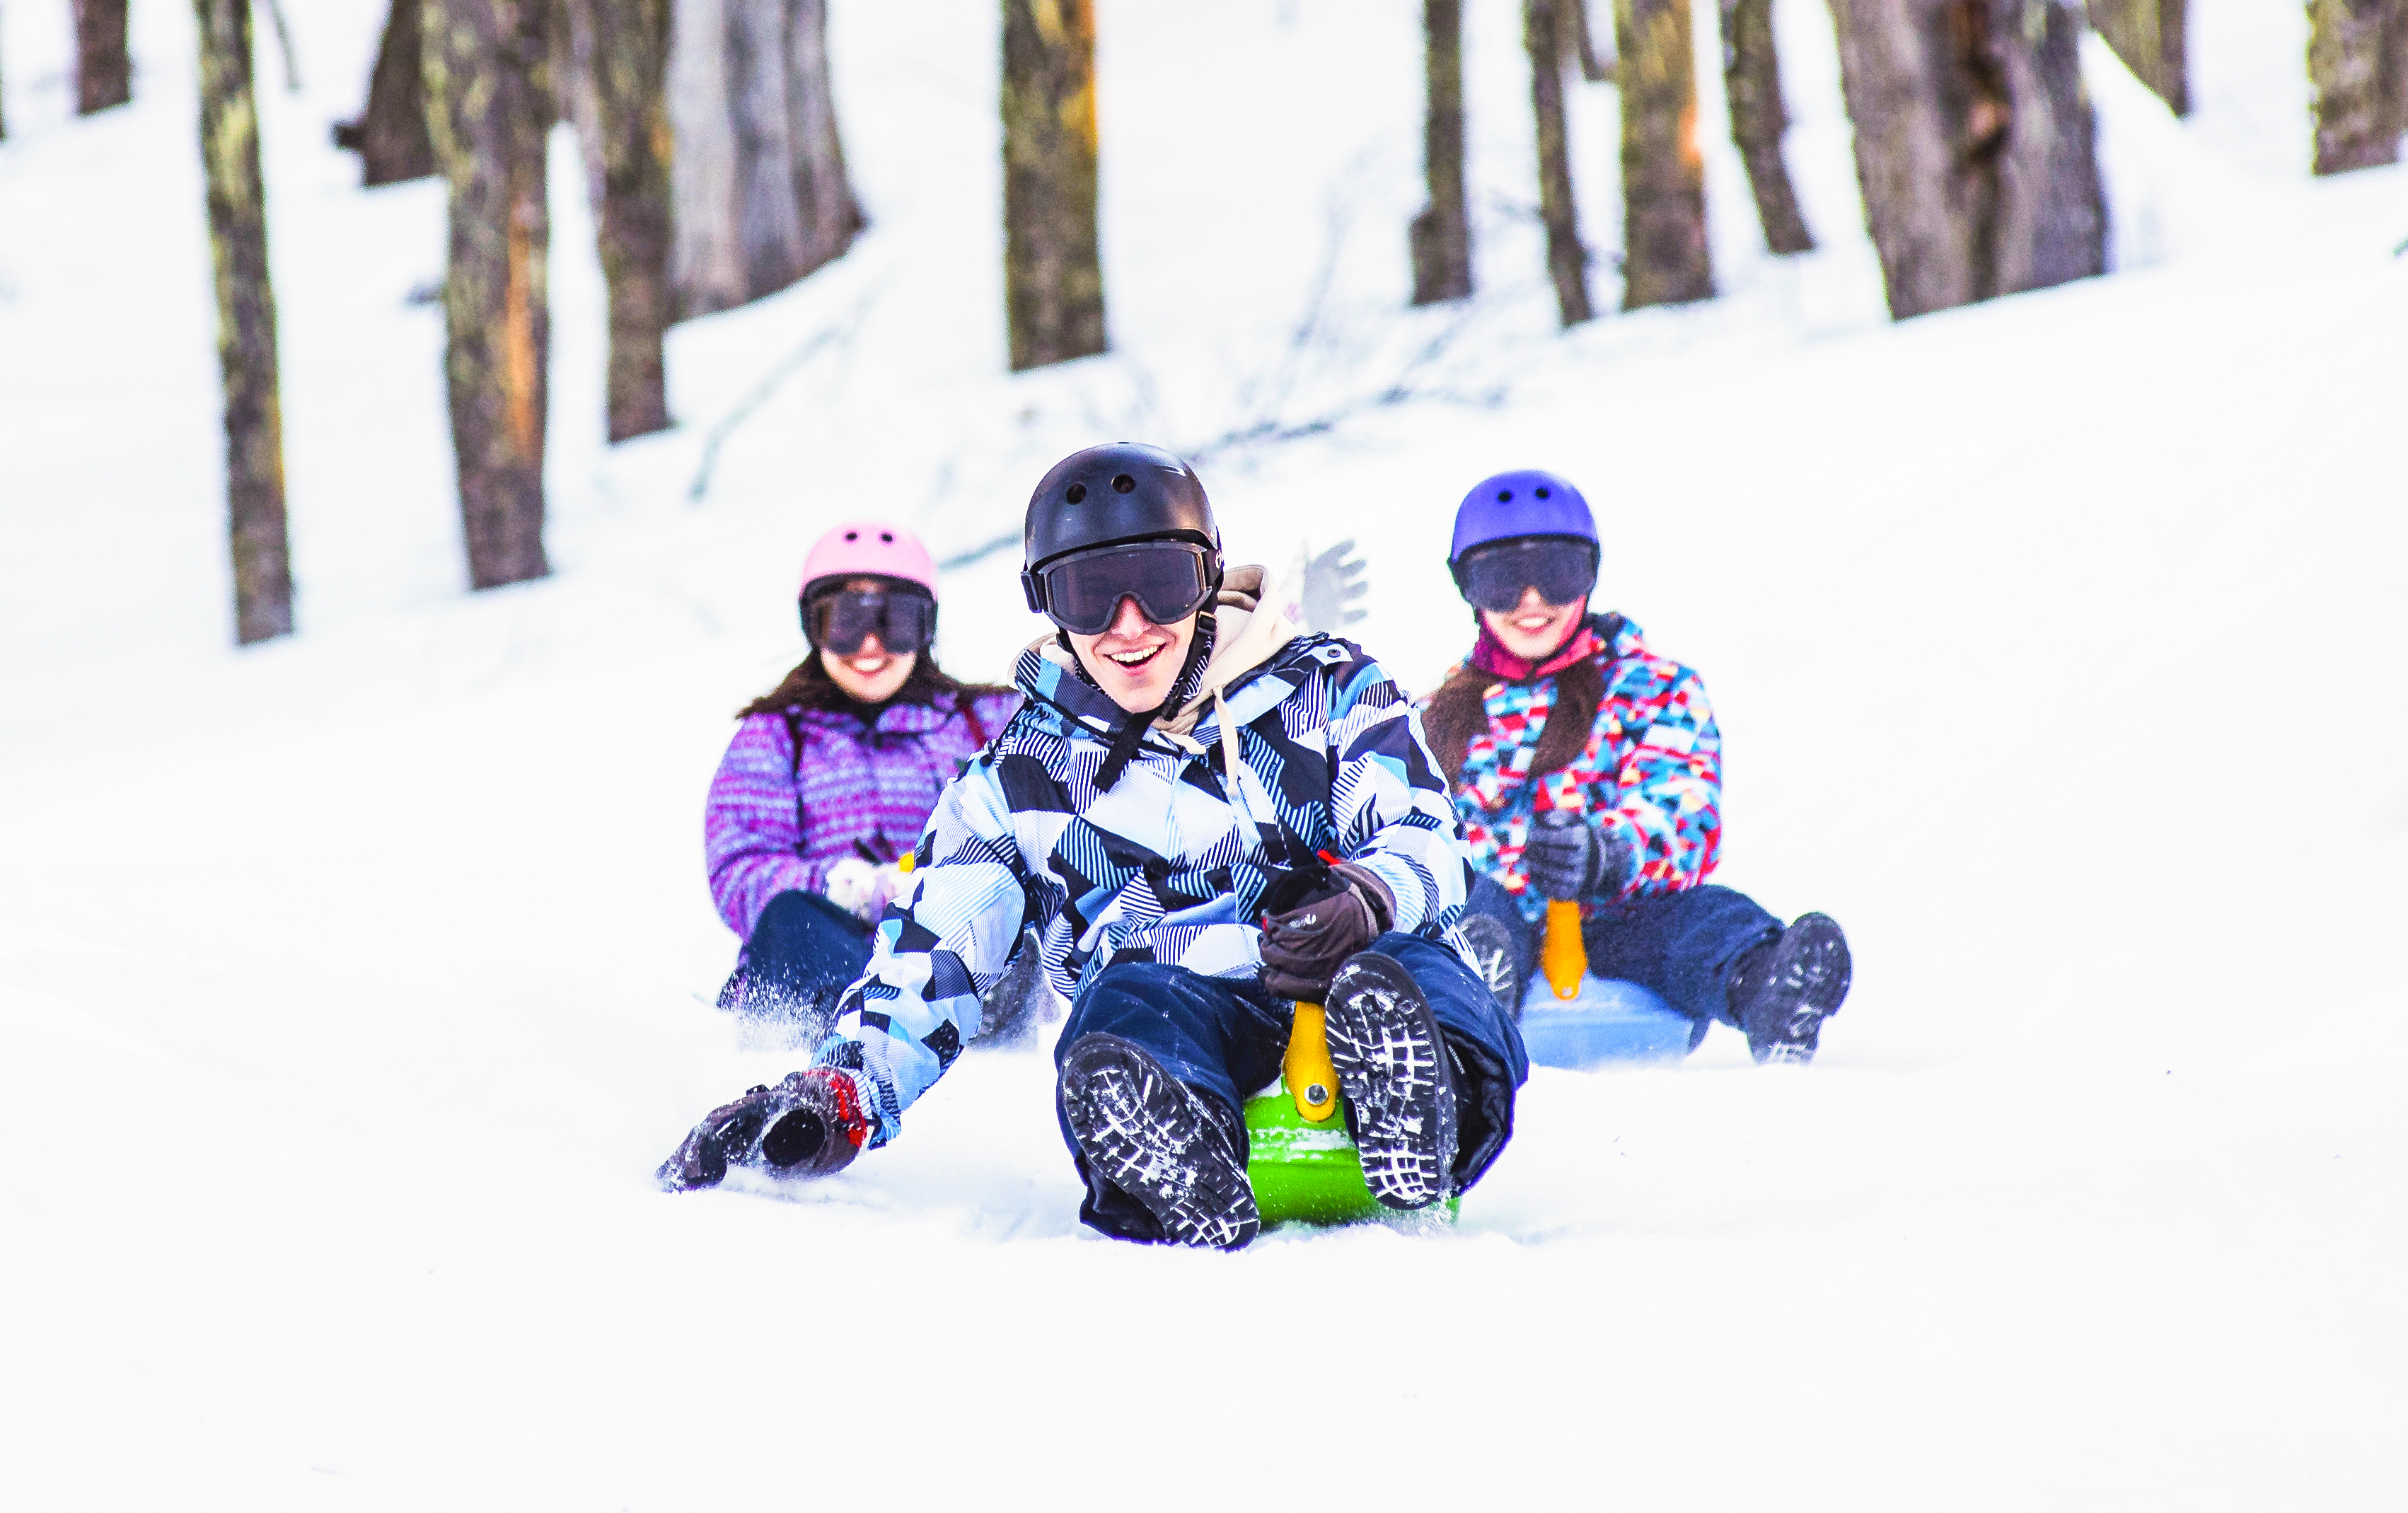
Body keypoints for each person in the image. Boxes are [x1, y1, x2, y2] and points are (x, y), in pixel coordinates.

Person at [661, 444, 1524, 1248]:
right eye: (1088, 595)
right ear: (1046, 602)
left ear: (1207, 576)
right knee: (1123, 1004)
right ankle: (1173, 1150)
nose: (1128, 623)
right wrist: (841, 1092)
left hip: (1351, 981)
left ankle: (1418, 1107)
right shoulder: (1018, 780)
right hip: (1180, 998)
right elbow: (934, 951)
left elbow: (1422, 827)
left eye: (1158, 582)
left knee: (1419, 964)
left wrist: (1371, 894)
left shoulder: (1328, 688)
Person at [1425, 469, 1852, 1062]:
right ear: (1466, 587)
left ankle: (1767, 986)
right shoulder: (1433, 715)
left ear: (1589, 575)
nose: (1531, 601)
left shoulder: (1651, 688)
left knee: (1700, 918)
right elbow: (1405, 824)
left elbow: (1681, 801)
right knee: (1472, 907)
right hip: (1487, 917)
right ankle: (1469, 988)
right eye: (1500, 580)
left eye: (1555, 573)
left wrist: (1609, 852)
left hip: (1614, 915)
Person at [703, 521, 1021, 1041]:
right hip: (829, 950)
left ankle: (974, 1016)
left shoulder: (986, 722)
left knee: (1005, 926)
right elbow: (739, 869)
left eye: (894, 621)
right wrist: (849, 889)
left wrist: (945, 886)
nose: (870, 644)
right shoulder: (776, 737)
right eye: (844, 622)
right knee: (790, 919)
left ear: (926, 627)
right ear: (814, 628)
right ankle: (863, 1032)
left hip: (952, 941)